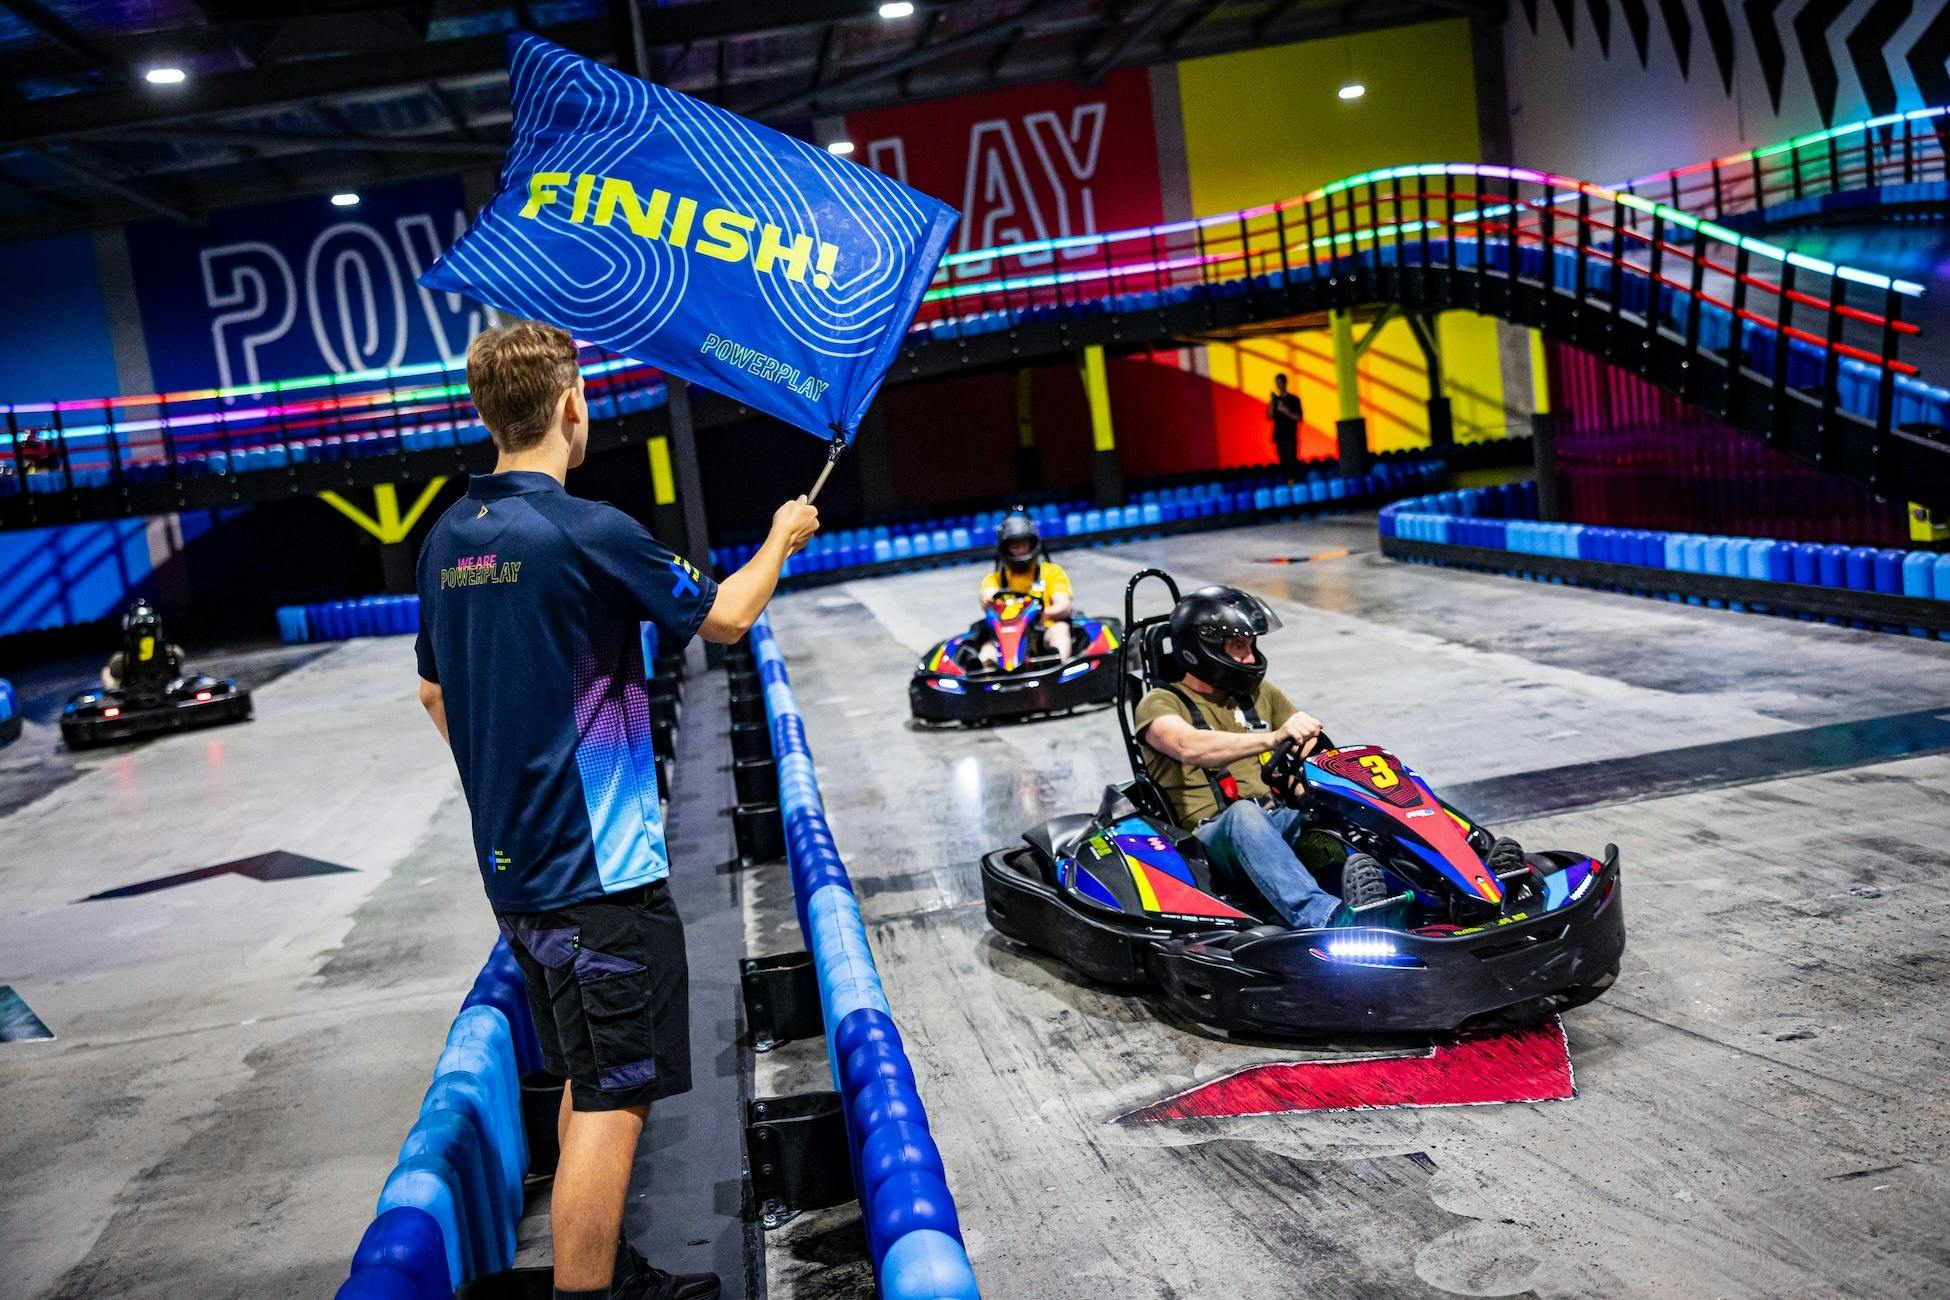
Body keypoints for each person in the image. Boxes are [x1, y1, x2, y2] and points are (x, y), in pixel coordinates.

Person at [414, 321, 818, 1300]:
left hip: (517, 870)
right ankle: (587, 1295)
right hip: (601, 871)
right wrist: (782, 536)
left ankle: (598, 1267)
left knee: (584, 1074)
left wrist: (510, 784)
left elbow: (434, 694)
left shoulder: (447, 540)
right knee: (615, 1093)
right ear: (569, 406)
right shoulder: (584, 530)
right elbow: (723, 614)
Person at [1134, 586, 1407, 927]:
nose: (1249, 657)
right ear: (1199, 650)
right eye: (1237, 646)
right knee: (1244, 815)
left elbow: (1306, 746)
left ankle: (1442, 879)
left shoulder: (1259, 694)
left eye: (1251, 645)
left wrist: (1319, 782)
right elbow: (1188, 745)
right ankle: (1326, 918)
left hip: (1274, 819)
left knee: (1353, 796)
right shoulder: (1160, 702)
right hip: (1209, 840)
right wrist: (1273, 738)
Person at [976, 511, 1074, 662]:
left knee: (1060, 630)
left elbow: (1064, 605)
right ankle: (986, 671)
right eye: (1014, 546)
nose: (1020, 550)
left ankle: (1057, 663)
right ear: (1005, 548)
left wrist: (1042, 615)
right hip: (1006, 639)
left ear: (1032, 544)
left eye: (1023, 544)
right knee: (988, 648)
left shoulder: (1051, 572)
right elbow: (987, 596)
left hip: (1043, 631)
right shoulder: (994, 579)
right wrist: (988, 599)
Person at [102, 599, 185, 699]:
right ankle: (171, 682)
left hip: (134, 681)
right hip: (161, 677)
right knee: (176, 653)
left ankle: (115, 694)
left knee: (107, 671)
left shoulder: (121, 661)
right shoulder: (172, 653)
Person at [1268, 374, 1302, 480]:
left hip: (1290, 437)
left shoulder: (1294, 399)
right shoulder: (1276, 400)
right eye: (1277, 383)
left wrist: (1286, 411)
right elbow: (1270, 417)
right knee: (1283, 462)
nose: (1279, 385)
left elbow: (1299, 417)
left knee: (1291, 462)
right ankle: (1287, 483)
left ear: (1285, 383)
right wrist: (1273, 402)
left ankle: (1294, 483)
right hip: (1279, 437)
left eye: (1281, 382)